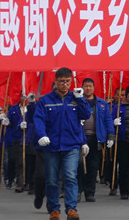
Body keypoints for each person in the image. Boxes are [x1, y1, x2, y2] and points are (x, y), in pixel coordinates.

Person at [34, 67, 91, 220]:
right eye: (61, 81)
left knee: (70, 177)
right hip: (51, 146)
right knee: (52, 179)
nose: (64, 84)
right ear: (56, 81)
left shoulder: (75, 98)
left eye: (67, 81)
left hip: (71, 145)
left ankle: (71, 209)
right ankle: (54, 209)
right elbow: (39, 119)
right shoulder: (45, 101)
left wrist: (81, 99)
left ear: (71, 81)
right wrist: (42, 135)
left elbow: (85, 115)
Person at [77, 78, 113, 202]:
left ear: (93, 87)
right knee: (79, 165)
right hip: (79, 138)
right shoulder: (77, 101)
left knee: (93, 166)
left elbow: (108, 120)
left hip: (96, 138)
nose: (88, 88)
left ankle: (90, 192)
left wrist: (110, 136)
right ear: (82, 87)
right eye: (85, 86)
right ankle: (78, 191)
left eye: (90, 86)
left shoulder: (102, 103)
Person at [6, 96, 34, 192]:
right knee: (20, 162)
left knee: (30, 163)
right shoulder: (13, 109)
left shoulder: (33, 108)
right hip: (18, 139)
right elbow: (9, 122)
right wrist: (6, 122)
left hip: (31, 139)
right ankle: (20, 183)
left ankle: (30, 183)